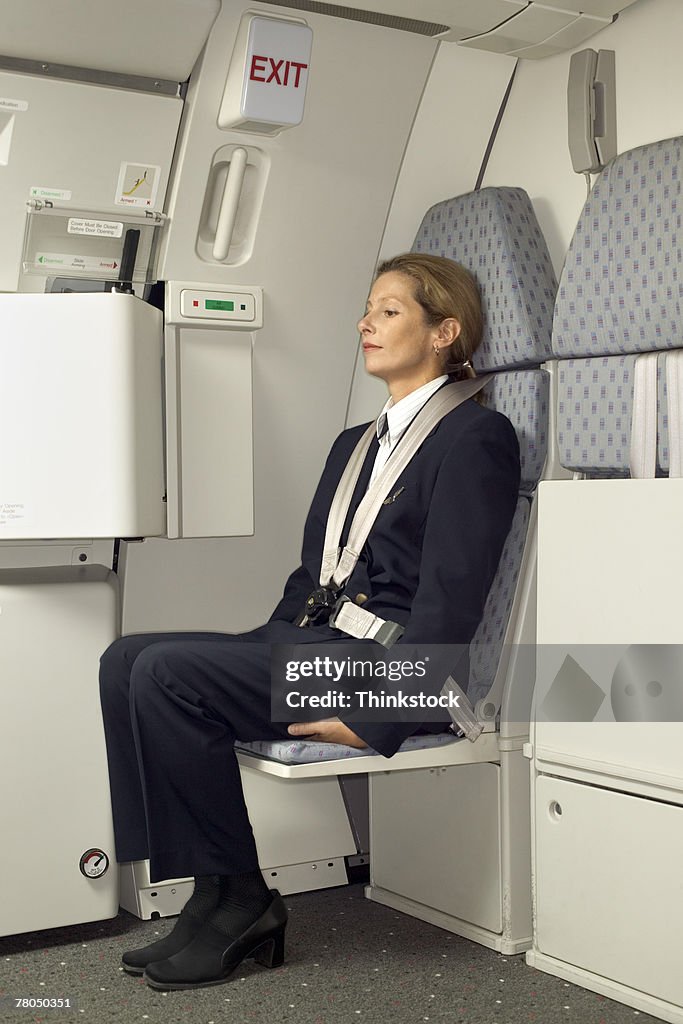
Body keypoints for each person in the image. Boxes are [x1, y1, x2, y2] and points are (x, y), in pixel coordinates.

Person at [98, 252, 520, 991]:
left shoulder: (476, 439)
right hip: (311, 643)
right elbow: (312, 578)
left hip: (376, 672)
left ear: (444, 331)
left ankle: (242, 903)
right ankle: (213, 889)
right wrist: (261, 652)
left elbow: (454, 597)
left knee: (167, 675)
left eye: (389, 311)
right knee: (127, 658)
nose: (366, 323)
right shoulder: (353, 443)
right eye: (367, 309)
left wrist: (382, 713)